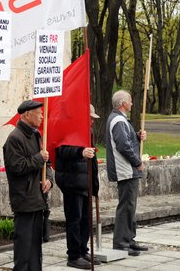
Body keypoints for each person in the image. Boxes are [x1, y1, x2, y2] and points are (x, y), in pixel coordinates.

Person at [3, 100, 54, 271]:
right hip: (24, 199)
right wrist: (40, 158)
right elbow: (17, 166)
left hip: (37, 197)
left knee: (35, 246)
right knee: (24, 246)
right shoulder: (14, 138)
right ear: (26, 114)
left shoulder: (37, 134)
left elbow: (47, 163)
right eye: (38, 112)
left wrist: (49, 179)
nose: (41, 116)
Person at [55, 104, 101, 269]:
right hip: (72, 182)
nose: (92, 122)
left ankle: (83, 250)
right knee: (74, 220)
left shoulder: (88, 132)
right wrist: (80, 152)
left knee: (85, 220)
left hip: (86, 182)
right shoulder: (67, 129)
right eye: (90, 118)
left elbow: (93, 162)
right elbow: (61, 150)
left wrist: (95, 186)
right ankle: (74, 255)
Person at [106, 90, 148, 256]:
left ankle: (129, 239)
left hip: (127, 170)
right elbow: (123, 145)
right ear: (123, 103)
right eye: (130, 101)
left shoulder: (120, 119)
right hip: (125, 170)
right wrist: (137, 162)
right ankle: (122, 243)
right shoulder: (118, 120)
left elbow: (126, 140)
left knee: (130, 206)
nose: (131, 103)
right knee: (126, 206)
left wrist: (137, 136)